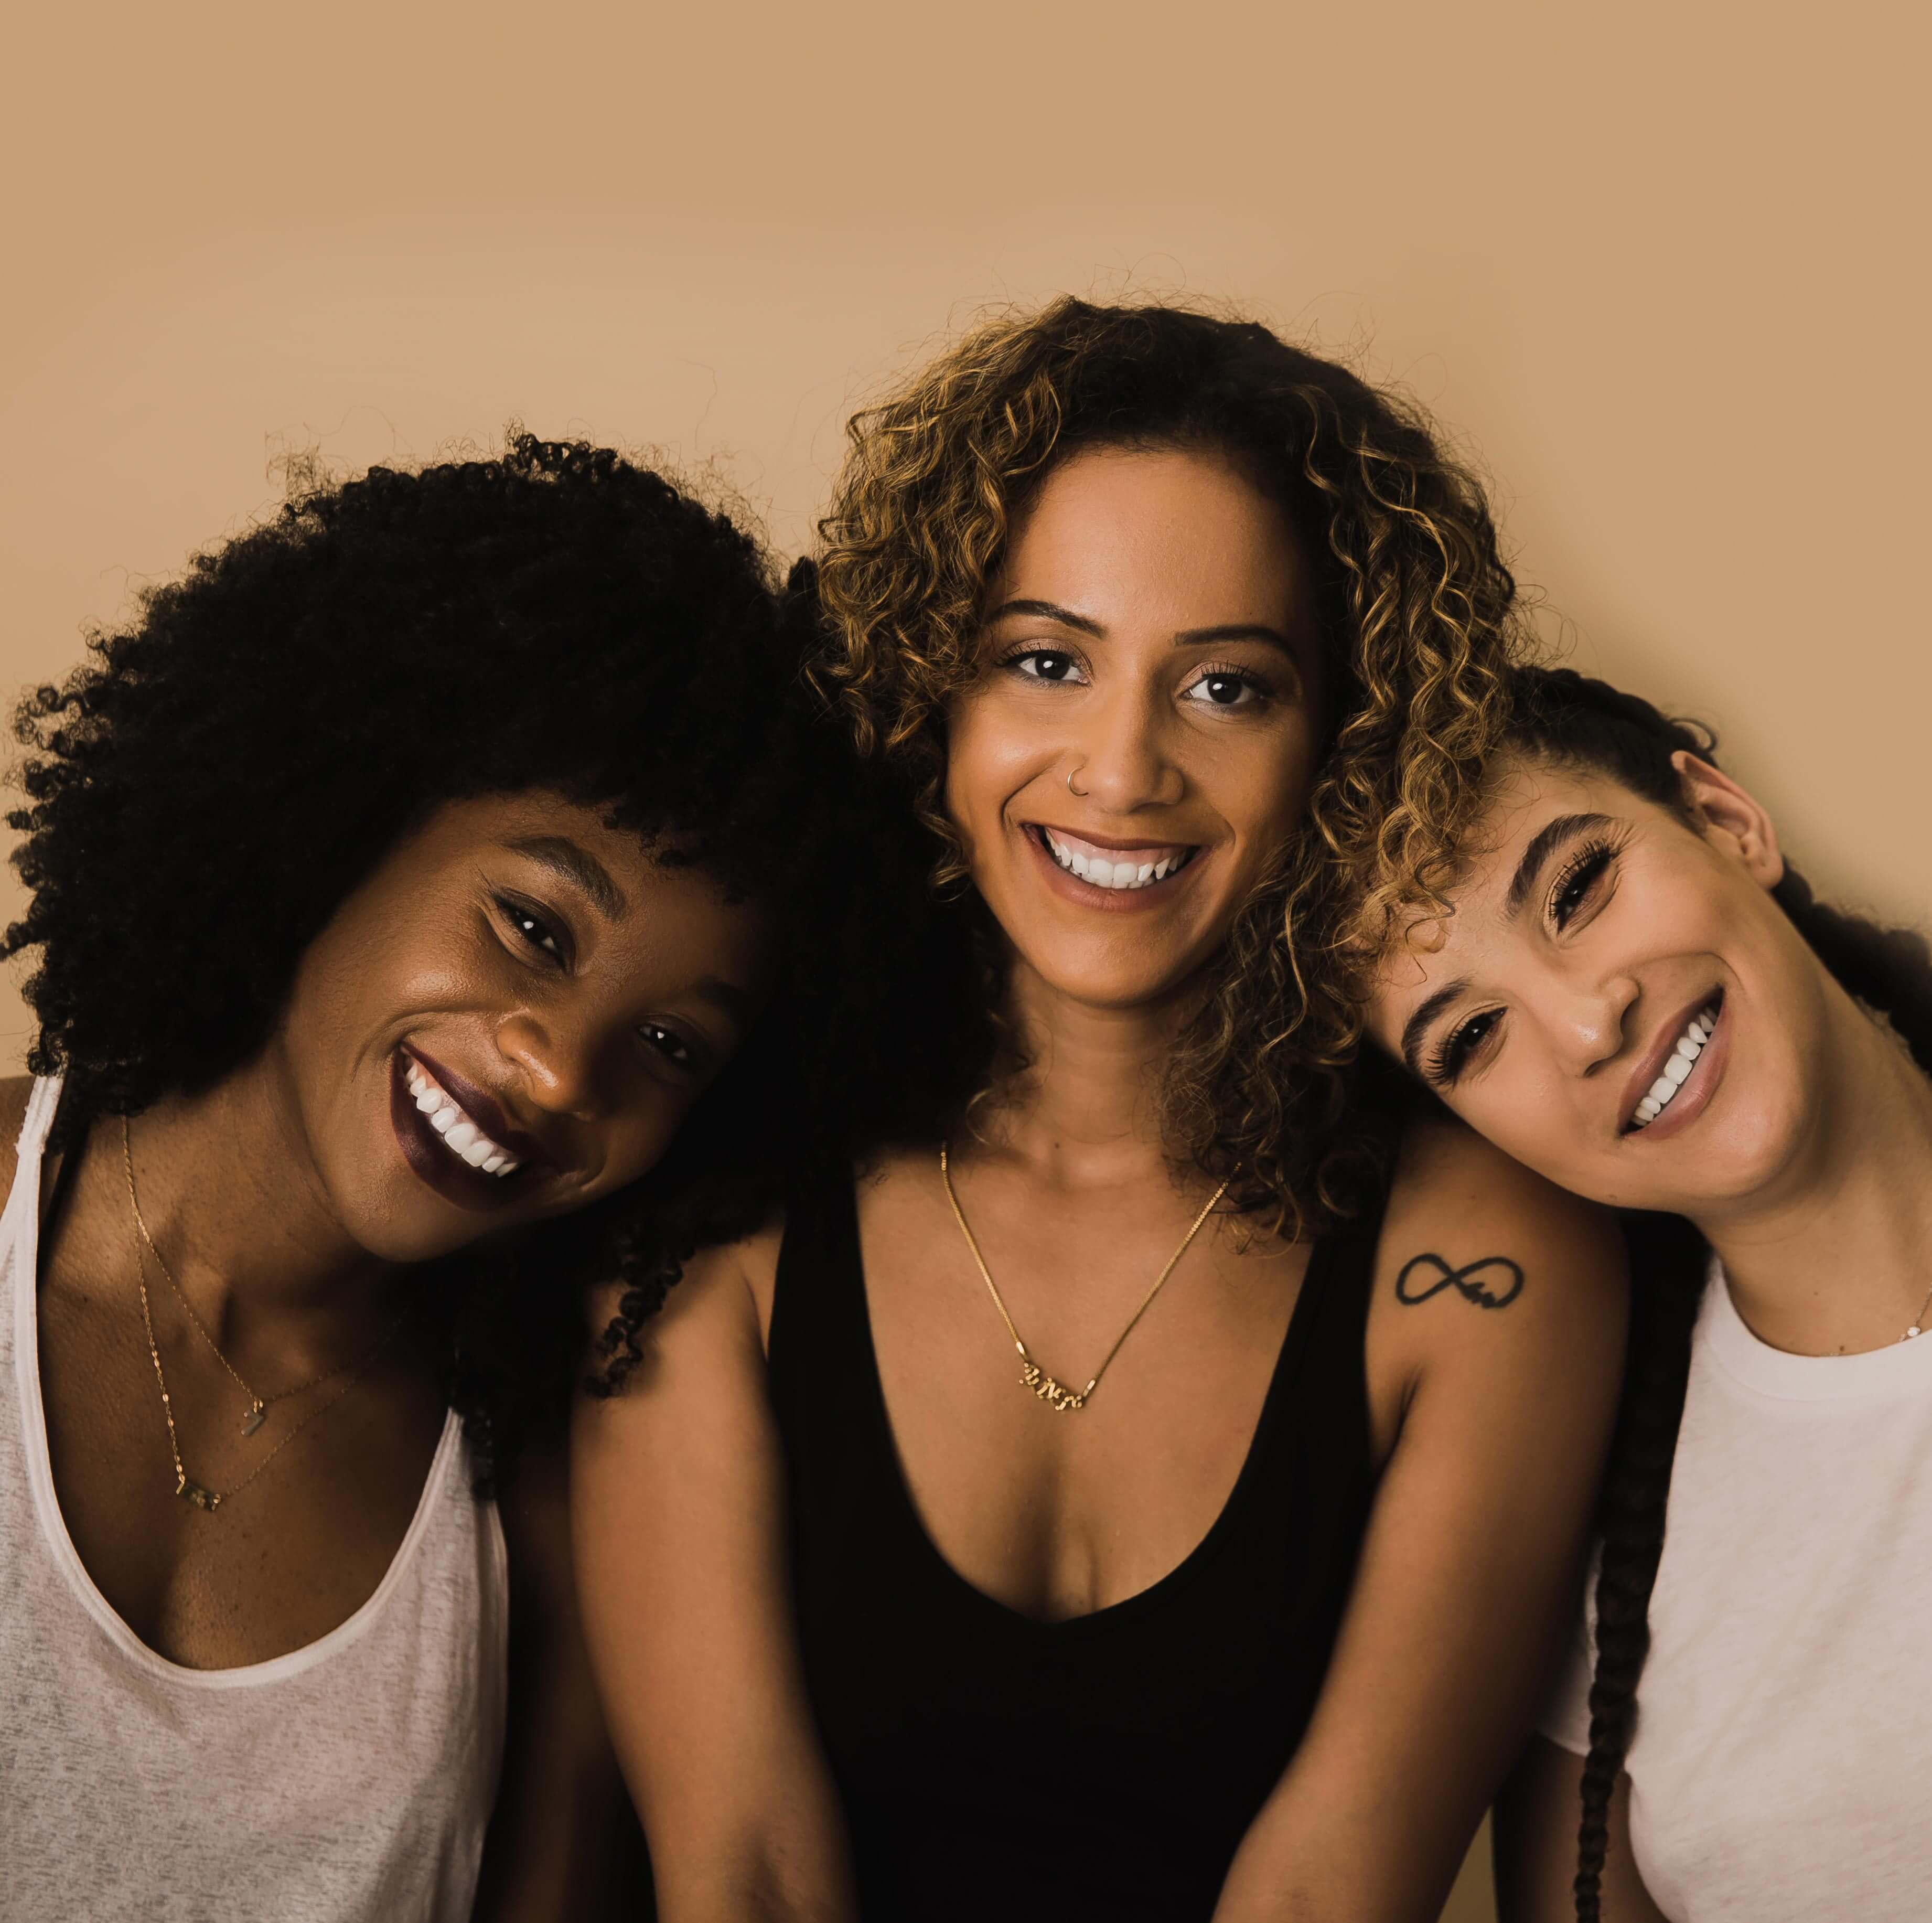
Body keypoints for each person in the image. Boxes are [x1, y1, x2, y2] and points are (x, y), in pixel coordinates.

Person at [574, 300, 1629, 1922]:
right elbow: (744, 1874)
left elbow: (1332, 1889)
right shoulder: (722, 1221)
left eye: (1226, 687)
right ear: (933, 696)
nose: (1120, 767)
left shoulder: (1486, 1252)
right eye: (1045, 661)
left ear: (1339, 749)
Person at [0, 433, 925, 1922]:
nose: (563, 1073)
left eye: (673, 1046)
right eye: (534, 928)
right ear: (344, 821)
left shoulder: (531, 1498)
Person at [1360, 664, 1932, 1922]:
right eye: (1470, 1038)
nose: (1583, 1024)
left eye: (1576, 888)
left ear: (1727, 820)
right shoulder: (1606, 1525)